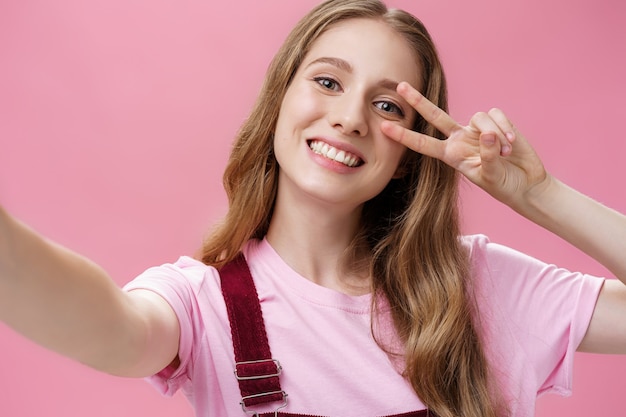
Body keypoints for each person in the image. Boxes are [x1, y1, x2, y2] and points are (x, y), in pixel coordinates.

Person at [1, 0, 625, 416]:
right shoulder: (202, 304)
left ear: (410, 154)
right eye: (327, 81)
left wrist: (540, 197)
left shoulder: (479, 286)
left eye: (388, 107)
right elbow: (106, 324)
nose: (349, 117)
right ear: (280, 101)